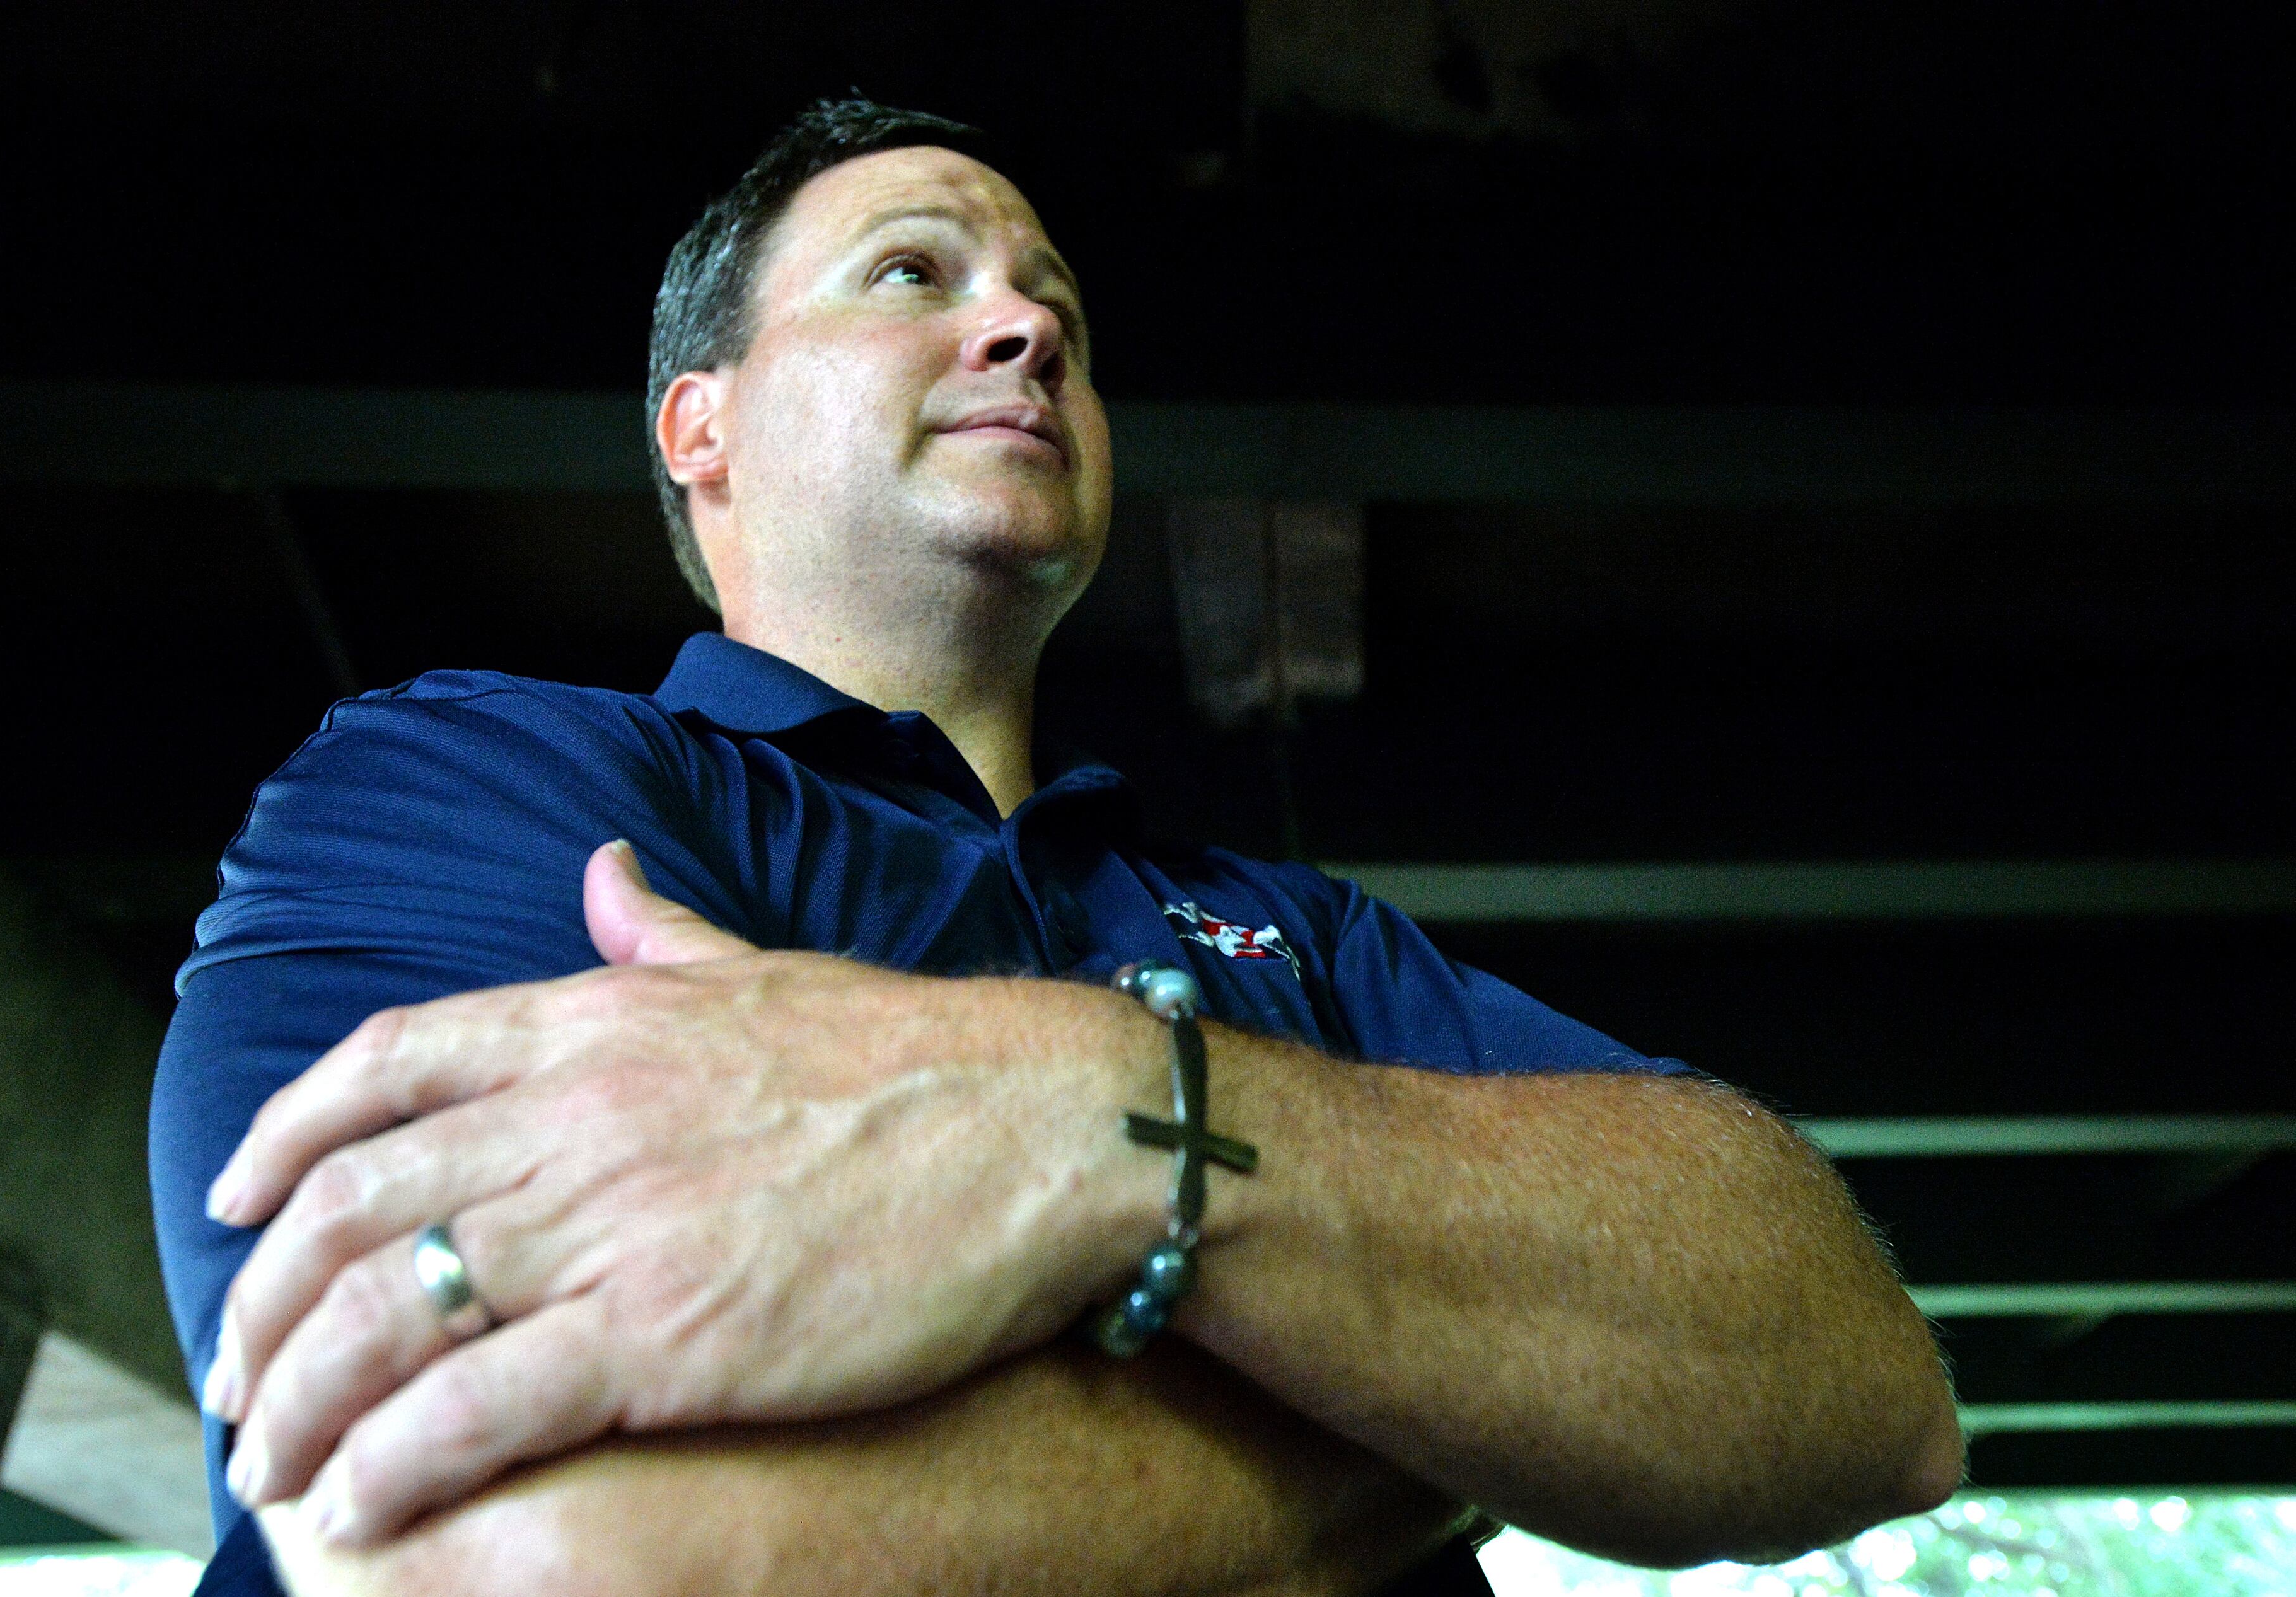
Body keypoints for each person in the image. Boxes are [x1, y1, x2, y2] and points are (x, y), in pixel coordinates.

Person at [149, 98, 1962, 1597]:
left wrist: (1088, 1109)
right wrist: (1439, 1422)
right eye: (913, 275)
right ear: (699, 423)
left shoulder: (1290, 934)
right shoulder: (490, 777)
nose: (1024, 329)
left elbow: (1858, 1384)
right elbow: (518, 1548)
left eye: (1056, 314)